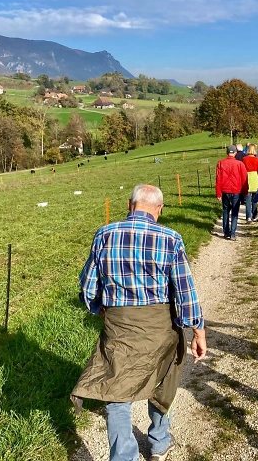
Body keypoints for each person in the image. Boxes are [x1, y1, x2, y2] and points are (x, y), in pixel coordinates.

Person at [71, 184, 207, 461]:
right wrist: (198, 330)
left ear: (129, 205)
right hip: (160, 326)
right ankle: (159, 443)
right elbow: (185, 292)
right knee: (162, 381)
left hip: (119, 326)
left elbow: (87, 288)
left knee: (116, 388)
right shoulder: (171, 238)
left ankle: (124, 456)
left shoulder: (104, 234)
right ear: (159, 209)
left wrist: (100, 308)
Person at [215, 145, 248, 240]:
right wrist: (245, 191)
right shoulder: (240, 164)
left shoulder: (220, 163)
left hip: (225, 190)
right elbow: (244, 179)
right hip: (236, 190)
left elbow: (218, 179)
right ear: (235, 153)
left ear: (227, 152)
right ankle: (233, 233)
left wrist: (218, 193)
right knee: (235, 212)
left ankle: (226, 232)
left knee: (225, 211)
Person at [242, 144, 258, 222]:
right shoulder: (257, 160)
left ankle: (248, 216)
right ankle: (254, 215)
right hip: (255, 179)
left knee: (247, 200)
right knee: (255, 199)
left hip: (247, 179)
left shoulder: (244, 159)